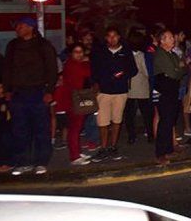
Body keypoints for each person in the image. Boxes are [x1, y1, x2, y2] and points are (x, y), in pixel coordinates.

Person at [3, 16, 58, 176]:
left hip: (38, 92)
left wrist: (49, 91)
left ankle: (41, 161)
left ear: (30, 27)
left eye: (21, 26)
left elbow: (52, 69)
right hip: (18, 93)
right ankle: (22, 162)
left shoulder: (43, 45)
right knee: (19, 129)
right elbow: (7, 68)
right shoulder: (12, 45)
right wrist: (7, 89)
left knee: (41, 129)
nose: (17, 28)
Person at [90, 27, 138, 163]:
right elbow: (94, 70)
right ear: (106, 38)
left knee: (117, 120)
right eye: (109, 36)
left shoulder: (126, 51)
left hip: (120, 91)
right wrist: (96, 83)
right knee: (103, 122)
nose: (112, 39)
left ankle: (113, 146)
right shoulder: (100, 51)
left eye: (114, 36)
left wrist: (123, 74)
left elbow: (133, 70)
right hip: (103, 92)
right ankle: (103, 148)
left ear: (119, 37)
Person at [153, 30, 187, 165]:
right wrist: (178, 69)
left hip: (172, 90)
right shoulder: (160, 54)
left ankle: (168, 149)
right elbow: (174, 72)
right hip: (164, 90)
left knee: (170, 120)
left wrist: (178, 69)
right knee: (164, 122)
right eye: (170, 37)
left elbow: (182, 69)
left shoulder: (171, 54)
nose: (173, 39)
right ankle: (160, 153)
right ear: (162, 40)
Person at [59, 43, 92, 165]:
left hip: (75, 98)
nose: (79, 54)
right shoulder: (73, 65)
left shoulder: (71, 64)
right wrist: (86, 62)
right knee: (75, 128)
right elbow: (87, 73)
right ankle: (74, 156)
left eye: (81, 52)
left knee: (76, 128)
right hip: (74, 99)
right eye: (76, 52)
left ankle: (77, 151)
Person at [124, 32, 154, 144]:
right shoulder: (141, 55)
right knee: (146, 113)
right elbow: (146, 71)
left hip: (130, 88)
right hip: (142, 87)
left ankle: (131, 136)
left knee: (129, 114)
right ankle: (150, 134)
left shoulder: (126, 54)